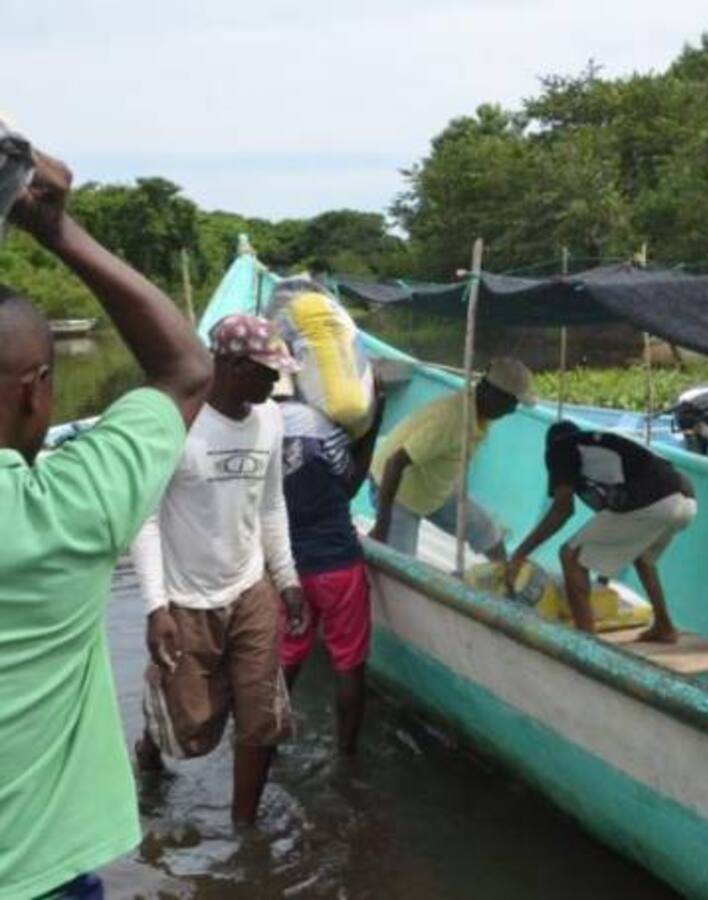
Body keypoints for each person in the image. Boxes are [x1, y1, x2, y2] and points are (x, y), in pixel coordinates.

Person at [0, 151, 211, 898]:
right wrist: (57, 229)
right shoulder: (65, 508)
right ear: (35, 393)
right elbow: (185, 368)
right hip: (40, 877)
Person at [131, 314, 308, 827]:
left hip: (251, 589)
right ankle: (150, 745)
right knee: (191, 730)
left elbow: (270, 504)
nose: (276, 381)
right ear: (232, 366)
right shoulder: (179, 424)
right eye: (267, 371)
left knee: (262, 718)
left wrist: (288, 578)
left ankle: (244, 828)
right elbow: (144, 518)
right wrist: (156, 607)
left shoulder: (269, 419)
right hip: (187, 599)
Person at [508, 421, 697, 643]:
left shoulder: (560, 448)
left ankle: (587, 644)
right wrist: (602, 578)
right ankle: (665, 626)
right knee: (643, 558)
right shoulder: (599, 449)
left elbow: (562, 510)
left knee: (570, 556)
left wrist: (520, 554)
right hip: (687, 500)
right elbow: (614, 527)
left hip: (655, 498)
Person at [279, 382, 385, 756]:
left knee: (287, 658)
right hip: (338, 564)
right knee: (348, 664)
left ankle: (264, 744)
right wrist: (374, 425)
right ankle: (346, 757)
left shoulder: (257, 427)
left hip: (289, 569)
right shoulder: (321, 426)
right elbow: (349, 484)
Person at [368, 358, 534, 561]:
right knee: (400, 563)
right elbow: (395, 463)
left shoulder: (482, 413)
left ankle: (503, 575)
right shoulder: (451, 419)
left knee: (487, 530)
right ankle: (370, 549)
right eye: (511, 403)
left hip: (432, 491)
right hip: (398, 491)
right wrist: (382, 524)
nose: (512, 411)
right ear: (494, 394)